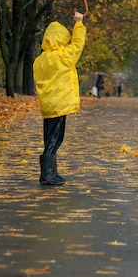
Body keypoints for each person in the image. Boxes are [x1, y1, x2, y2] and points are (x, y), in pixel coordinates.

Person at [33, 11, 86, 186]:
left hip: (48, 105)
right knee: (56, 138)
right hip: (59, 104)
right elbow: (78, 44)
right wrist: (78, 23)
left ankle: (51, 172)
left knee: (50, 137)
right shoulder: (63, 57)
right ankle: (47, 174)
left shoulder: (39, 60)